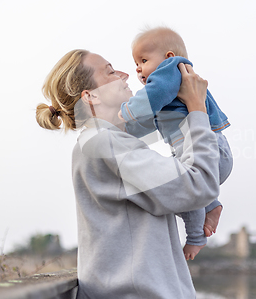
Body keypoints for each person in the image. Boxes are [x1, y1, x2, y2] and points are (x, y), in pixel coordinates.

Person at [36, 49, 221, 298]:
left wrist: (207, 203)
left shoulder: (101, 143)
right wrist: (197, 109)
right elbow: (199, 185)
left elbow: (176, 191)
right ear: (90, 96)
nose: (124, 74)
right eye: (110, 72)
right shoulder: (104, 143)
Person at [119, 27, 233, 260]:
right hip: (212, 151)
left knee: (178, 192)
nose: (138, 68)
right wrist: (122, 129)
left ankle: (195, 238)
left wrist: (127, 111)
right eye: (136, 63)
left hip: (208, 150)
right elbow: (150, 122)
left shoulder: (171, 70)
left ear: (168, 57)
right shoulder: (170, 95)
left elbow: (151, 97)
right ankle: (210, 204)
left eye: (143, 60)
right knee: (175, 189)